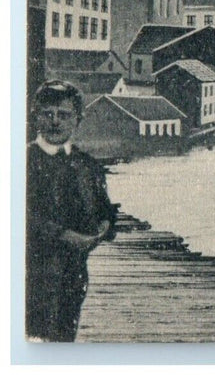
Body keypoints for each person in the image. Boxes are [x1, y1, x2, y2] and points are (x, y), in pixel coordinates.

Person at [26, 80, 118, 342]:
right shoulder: (23, 161)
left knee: (65, 337)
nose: (55, 122)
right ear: (36, 117)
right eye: (48, 114)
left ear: (78, 120)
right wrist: (63, 235)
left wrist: (104, 226)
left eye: (64, 115)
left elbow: (105, 209)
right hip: (31, 271)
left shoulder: (87, 165)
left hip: (74, 273)